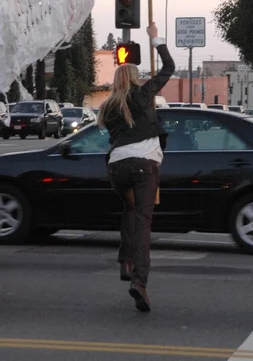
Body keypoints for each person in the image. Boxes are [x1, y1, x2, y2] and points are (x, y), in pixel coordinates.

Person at [98, 22, 175, 312]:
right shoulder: (141, 95)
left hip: (116, 167)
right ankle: (139, 281)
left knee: (130, 209)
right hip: (144, 165)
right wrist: (156, 40)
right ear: (133, 77)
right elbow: (168, 67)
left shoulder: (107, 106)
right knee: (143, 220)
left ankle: (125, 261)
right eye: (139, 75)